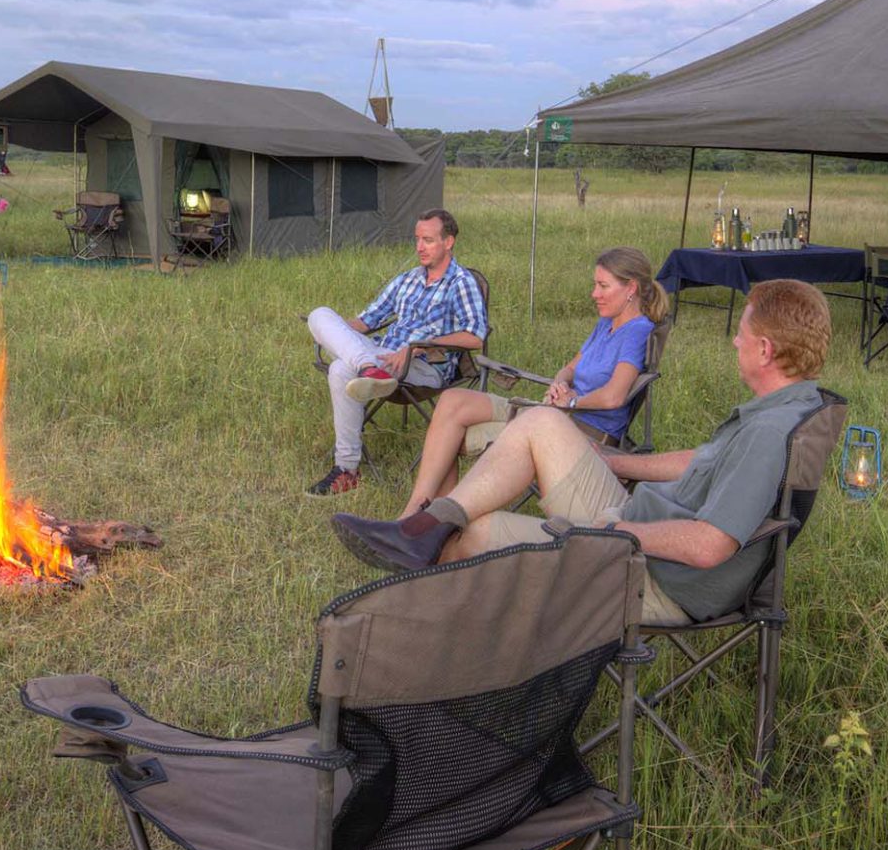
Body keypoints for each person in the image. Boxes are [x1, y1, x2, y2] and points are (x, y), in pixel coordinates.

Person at [331, 279, 830, 626]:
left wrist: (612, 530)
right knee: (537, 428)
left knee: (485, 521)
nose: (735, 341)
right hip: (635, 528)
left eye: (742, 333)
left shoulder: (770, 432)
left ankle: (420, 592)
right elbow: (698, 461)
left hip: (649, 572)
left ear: (764, 351)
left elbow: (709, 546)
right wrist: (609, 462)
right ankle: (422, 531)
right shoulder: (787, 408)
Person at [394, 246, 666, 521]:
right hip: (556, 412)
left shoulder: (636, 331)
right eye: (595, 284)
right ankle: (423, 508)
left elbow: (614, 397)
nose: (594, 294)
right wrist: (560, 384)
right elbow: (570, 367)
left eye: (602, 286)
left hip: (579, 431)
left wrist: (571, 401)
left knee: (451, 436)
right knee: (453, 399)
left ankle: (431, 518)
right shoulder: (606, 323)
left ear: (631, 288)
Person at [304, 208, 488, 497]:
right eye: (417, 239)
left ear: (448, 242)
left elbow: (475, 336)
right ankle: (348, 468)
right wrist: (332, 330)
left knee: (341, 368)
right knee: (320, 315)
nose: (419, 247)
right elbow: (366, 321)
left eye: (427, 240)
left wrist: (417, 347)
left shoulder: (461, 283)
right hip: (382, 358)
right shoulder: (408, 279)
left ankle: (347, 467)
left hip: (425, 367)